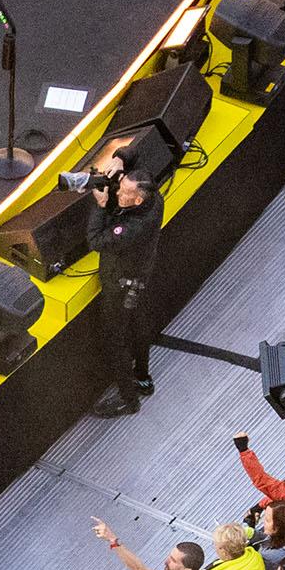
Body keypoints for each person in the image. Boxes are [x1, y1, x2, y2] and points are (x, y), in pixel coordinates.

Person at [89, 148, 164, 414]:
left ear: (137, 200)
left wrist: (100, 206)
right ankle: (143, 378)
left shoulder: (132, 228)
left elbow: (96, 240)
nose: (117, 194)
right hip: (140, 278)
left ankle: (128, 400)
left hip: (119, 286)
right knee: (139, 329)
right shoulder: (154, 199)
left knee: (115, 342)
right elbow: (137, 154)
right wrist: (120, 157)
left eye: (123, 194)